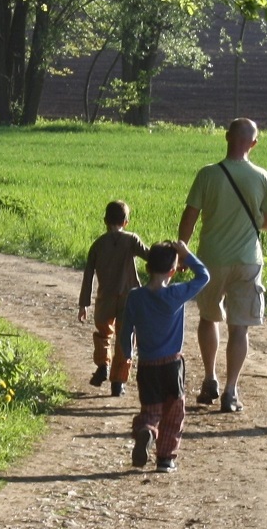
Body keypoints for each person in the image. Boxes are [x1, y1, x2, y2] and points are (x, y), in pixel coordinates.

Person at [177, 117, 267, 413]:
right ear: (254, 144)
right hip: (248, 261)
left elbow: (189, 217)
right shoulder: (262, 177)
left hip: (211, 259)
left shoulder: (208, 174)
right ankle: (231, 391)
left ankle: (210, 378)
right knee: (240, 328)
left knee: (209, 318)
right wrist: (248, 220)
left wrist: (182, 251)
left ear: (226, 138)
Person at [119, 240, 210, 472]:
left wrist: (128, 354)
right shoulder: (175, 294)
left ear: (147, 268)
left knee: (151, 410)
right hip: (172, 364)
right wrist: (186, 254)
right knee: (173, 412)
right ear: (173, 270)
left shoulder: (135, 297)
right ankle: (165, 459)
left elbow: (126, 329)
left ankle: (146, 431)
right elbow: (203, 276)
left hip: (147, 365)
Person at [78, 200, 150, 397]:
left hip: (105, 299)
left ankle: (103, 364)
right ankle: (118, 382)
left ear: (105, 221)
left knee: (103, 335)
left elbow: (88, 275)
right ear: (126, 222)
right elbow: (150, 256)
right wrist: (174, 260)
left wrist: (84, 304)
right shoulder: (132, 240)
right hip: (129, 299)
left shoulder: (98, 245)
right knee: (125, 340)